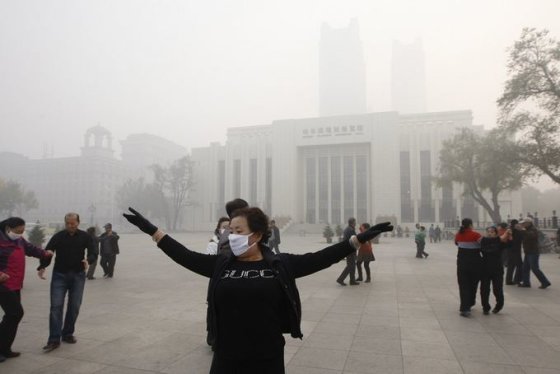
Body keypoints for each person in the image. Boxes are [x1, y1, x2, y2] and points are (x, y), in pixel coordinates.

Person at [123, 206, 392, 374]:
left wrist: (356, 241)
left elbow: (321, 257)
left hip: (267, 356)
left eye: (238, 230)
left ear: (258, 235)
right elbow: (184, 255)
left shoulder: (280, 264)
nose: (231, 235)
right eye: (229, 230)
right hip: (226, 355)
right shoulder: (221, 264)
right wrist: (152, 231)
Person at [38, 213, 95, 352]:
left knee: (74, 305)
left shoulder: (85, 236)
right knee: (56, 307)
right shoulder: (58, 236)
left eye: (73, 223)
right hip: (60, 275)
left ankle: (68, 333)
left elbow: (94, 252)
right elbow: (48, 252)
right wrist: (43, 266)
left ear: (78, 222)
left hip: (78, 275)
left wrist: (88, 260)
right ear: (65, 223)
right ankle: (54, 339)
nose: (70, 226)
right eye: (68, 223)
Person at [0, 217, 53, 362]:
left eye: (22, 231)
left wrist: (44, 253)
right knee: (15, 313)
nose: (20, 233)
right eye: (18, 231)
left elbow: (31, 249)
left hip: (15, 283)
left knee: (13, 316)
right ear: (8, 228)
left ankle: (5, 349)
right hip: (3, 285)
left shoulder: (19, 240)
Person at [480, 224, 510, 315]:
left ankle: (499, 305)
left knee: (497, 289)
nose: (489, 233)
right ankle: (485, 307)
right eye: (488, 232)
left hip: (497, 269)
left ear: (496, 233)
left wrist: (509, 235)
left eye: (492, 232)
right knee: (484, 289)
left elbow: (510, 244)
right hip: (485, 268)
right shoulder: (484, 241)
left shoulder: (500, 242)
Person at [455, 218, 482, 317]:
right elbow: (483, 245)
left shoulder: (458, 235)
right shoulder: (476, 235)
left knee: (463, 286)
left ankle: (465, 308)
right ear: (470, 225)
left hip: (462, 264)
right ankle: (470, 302)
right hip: (475, 264)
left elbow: (457, 243)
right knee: (473, 284)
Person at [518, 217, 551, 289]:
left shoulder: (533, 229)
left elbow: (531, 235)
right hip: (528, 252)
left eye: (524, 223)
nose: (522, 224)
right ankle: (526, 283)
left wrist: (523, 230)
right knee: (525, 268)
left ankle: (545, 282)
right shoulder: (526, 229)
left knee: (535, 268)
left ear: (528, 223)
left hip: (533, 252)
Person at [336, 218, 359, 286]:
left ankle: (352, 280)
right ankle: (341, 279)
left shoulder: (348, 229)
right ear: (352, 223)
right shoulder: (351, 230)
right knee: (350, 265)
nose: (355, 223)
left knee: (352, 265)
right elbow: (354, 239)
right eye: (355, 222)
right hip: (350, 250)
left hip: (349, 249)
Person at [505, 219, 523, 285]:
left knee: (511, 266)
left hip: (509, 250)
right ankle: (517, 280)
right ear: (515, 224)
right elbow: (519, 239)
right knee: (520, 265)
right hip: (515, 250)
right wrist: (521, 230)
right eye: (517, 224)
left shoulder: (509, 230)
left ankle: (508, 280)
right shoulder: (515, 231)